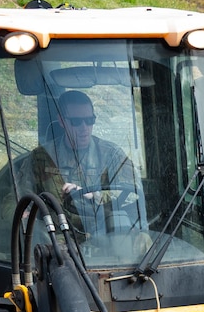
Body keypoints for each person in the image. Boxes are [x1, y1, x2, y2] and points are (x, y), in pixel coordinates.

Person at [28, 89, 136, 234]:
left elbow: (133, 192)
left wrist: (94, 195)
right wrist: (28, 219)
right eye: (76, 122)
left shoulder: (111, 154)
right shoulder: (41, 158)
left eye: (90, 120)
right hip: (58, 240)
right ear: (61, 121)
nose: (84, 128)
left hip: (105, 235)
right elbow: (16, 198)